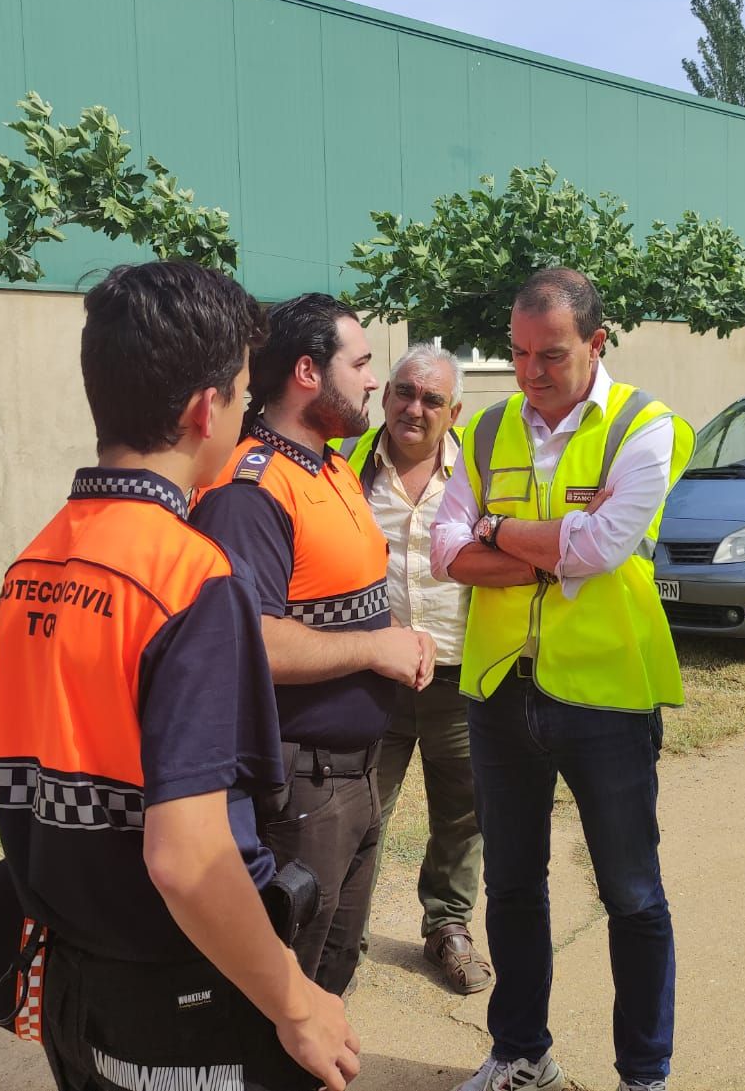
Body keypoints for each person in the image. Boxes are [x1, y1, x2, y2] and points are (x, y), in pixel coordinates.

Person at [0, 262, 358, 1091]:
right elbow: (188, 857)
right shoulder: (191, 578)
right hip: (179, 1002)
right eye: (239, 391)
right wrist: (295, 998)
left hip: (71, 992)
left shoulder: (36, 560)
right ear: (205, 408)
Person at [432, 267, 694, 1091]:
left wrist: (499, 529)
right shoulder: (486, 429)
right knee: (510, 886)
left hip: (607, 697)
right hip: (501, 690)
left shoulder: (646, 426)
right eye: (517, 353)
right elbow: (445, 551)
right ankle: (521, 1053)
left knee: (632, 893)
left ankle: (643, 1074)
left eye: (550, 355)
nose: (530, 373)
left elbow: (603, 547)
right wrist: (542, 552)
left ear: (596, 342)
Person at [192, 293, 437, 999]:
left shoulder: (330, 467)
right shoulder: (251, 490)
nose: (373, 381)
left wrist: (395, 636)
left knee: (332, 970)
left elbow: (344, 603)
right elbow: (251, 645)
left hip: (354, 780)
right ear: (307, 370)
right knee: (282, 985)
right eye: (360, 364)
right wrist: (373, 652)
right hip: (300, 787)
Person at [337, 342, 493, 996]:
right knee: (359, 810)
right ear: (386, 394)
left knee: (462, 814)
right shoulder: (345, 467)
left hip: (459, 676)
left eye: (432, 399)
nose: (413, 407)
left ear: (453, 410)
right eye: (404, 391)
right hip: (374, 678)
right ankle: (342, 937)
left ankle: (448, 926)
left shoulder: (479, 472)